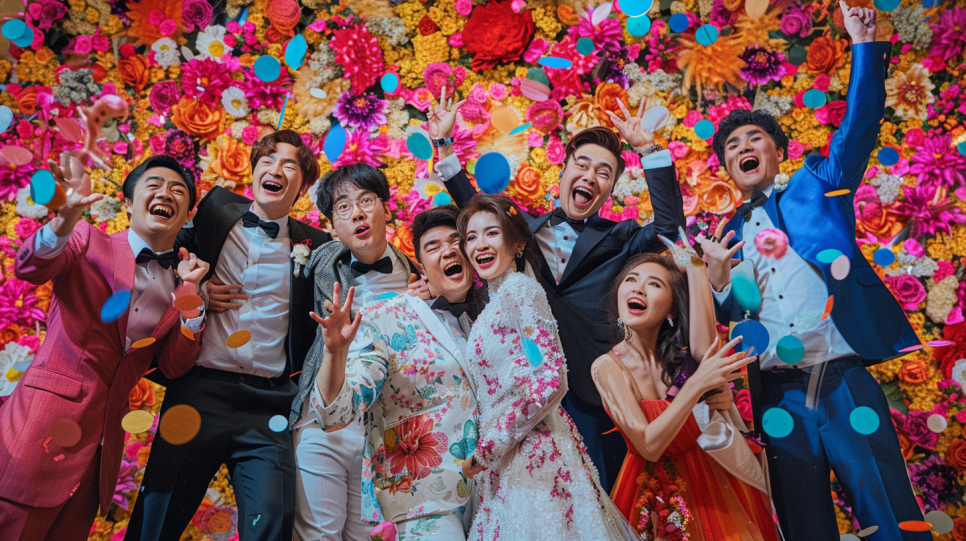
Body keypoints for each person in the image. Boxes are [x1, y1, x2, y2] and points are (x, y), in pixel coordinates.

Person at [705, 4, 927, 540]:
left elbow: (859, 126)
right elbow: (733, 317)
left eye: (754, 139)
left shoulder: (820, 184)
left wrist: (864, 45)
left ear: (778, 152)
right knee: (804, 524)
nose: (743, 148)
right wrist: (716, 281)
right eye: (732, 146)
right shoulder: (725, 235)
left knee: (888, 511)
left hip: (843, 378)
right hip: (779, 396)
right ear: (728, 168)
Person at [431, 91, 686, 489]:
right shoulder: (523, 231)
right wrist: (444, 146)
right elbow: (476, 209)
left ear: (610, 189)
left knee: (597, 492)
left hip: (591, 391)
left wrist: (648, 149)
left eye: (603, 172)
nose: (590, 176)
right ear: (563, 171)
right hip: (525, 389)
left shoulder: (623, 237)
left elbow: (670, 228)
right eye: (581, 164)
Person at [125, 130, 330, 541]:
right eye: (267, 160)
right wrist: (197, 289)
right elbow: (162, 255)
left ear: (303, 185)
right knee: (158, 514)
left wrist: (418, 283)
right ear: (253, 172)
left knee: (273, 516)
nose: (276, 169)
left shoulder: (317, 245)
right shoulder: (215, 209)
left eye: (289, 165)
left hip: (269, 403)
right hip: (199, 391)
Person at [0, 154, 208, 540]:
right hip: (38, 434)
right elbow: (29, 268)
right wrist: (63, 222)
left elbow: (174, 366)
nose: (166, 193)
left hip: (98, 458)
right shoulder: (86, 240)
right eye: (154, 185)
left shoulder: (181, 284)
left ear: (189, 213)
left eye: (178, 190)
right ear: (128, 203)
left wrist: (191, 294)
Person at [456, 193, 636, 541]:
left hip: (532, 455)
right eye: (471, 237)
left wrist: (488, 449)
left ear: (517, 243)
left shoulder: (521, 292)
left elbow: (549, 379)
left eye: (492, 233)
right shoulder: (496, 302)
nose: (480, 244)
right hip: (506, 461)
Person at [308, 205, 480, 539]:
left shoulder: (482, 321)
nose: (448, 250)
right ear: (422, 269)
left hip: (488, 497)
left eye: (456, 241)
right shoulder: (384, 318)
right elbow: (335, 414)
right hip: (420, 504)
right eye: (433, 246)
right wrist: (334, 353)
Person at [592, 240, 777, 541]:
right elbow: (649, 446)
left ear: (672, 309)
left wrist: (696, 269)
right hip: (654, 493)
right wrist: (697, 386)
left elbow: (706, 352)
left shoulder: (682, 356)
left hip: (713, 477)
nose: (639, 289)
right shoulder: (606, 367)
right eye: (631, 280)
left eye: (654, 284)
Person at [291, 164, 420, 541]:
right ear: (332, 227)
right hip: (321, 422)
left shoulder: (417, 276)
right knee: (318, 535)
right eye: (343, 207)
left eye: (366, 201)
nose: (358, 213)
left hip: (384, 433)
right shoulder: (319, 263)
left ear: (386, 209)